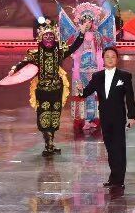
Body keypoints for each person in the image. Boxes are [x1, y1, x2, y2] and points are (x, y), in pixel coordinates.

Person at [10, 19, 83, 157]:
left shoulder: (59, 52)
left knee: (54, 117)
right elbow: (23, 62)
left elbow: (74, 47)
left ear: (54, 38)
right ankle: (48, 145)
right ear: (41, 38)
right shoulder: (35, 54)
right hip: (42, 91)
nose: (49, 38)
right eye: (46, 36)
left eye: (51, 36)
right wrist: (14, 69)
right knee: (44, 117)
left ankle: (51, 144)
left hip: (57, 90)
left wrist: (82, 33)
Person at [58, 0, 117, 136]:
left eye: (90, 21)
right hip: (81, 70)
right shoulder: (77, 34)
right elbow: (72, 50)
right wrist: (81, 33)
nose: (87, 23)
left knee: (94, 95)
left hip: (95, 69)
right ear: (80, 21)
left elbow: (103, 50)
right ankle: (82, 120)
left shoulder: (98, 35)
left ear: (93, 21)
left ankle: (94, 118)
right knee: (82, 94)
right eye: (85, 20)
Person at [79, 46, 135, 190]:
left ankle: (119, 179)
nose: (110, 59)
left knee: (119, 148)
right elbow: (86, 92)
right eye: (107, 57)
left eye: (113, 56)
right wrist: (80, 90)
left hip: (119, 117)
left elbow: (130, 97)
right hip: (104, 116)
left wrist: (131, 116)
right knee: (110, 148)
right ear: (103, 59)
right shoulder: (97, 76)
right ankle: (113, 177)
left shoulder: (125, 76)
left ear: (117, 59)